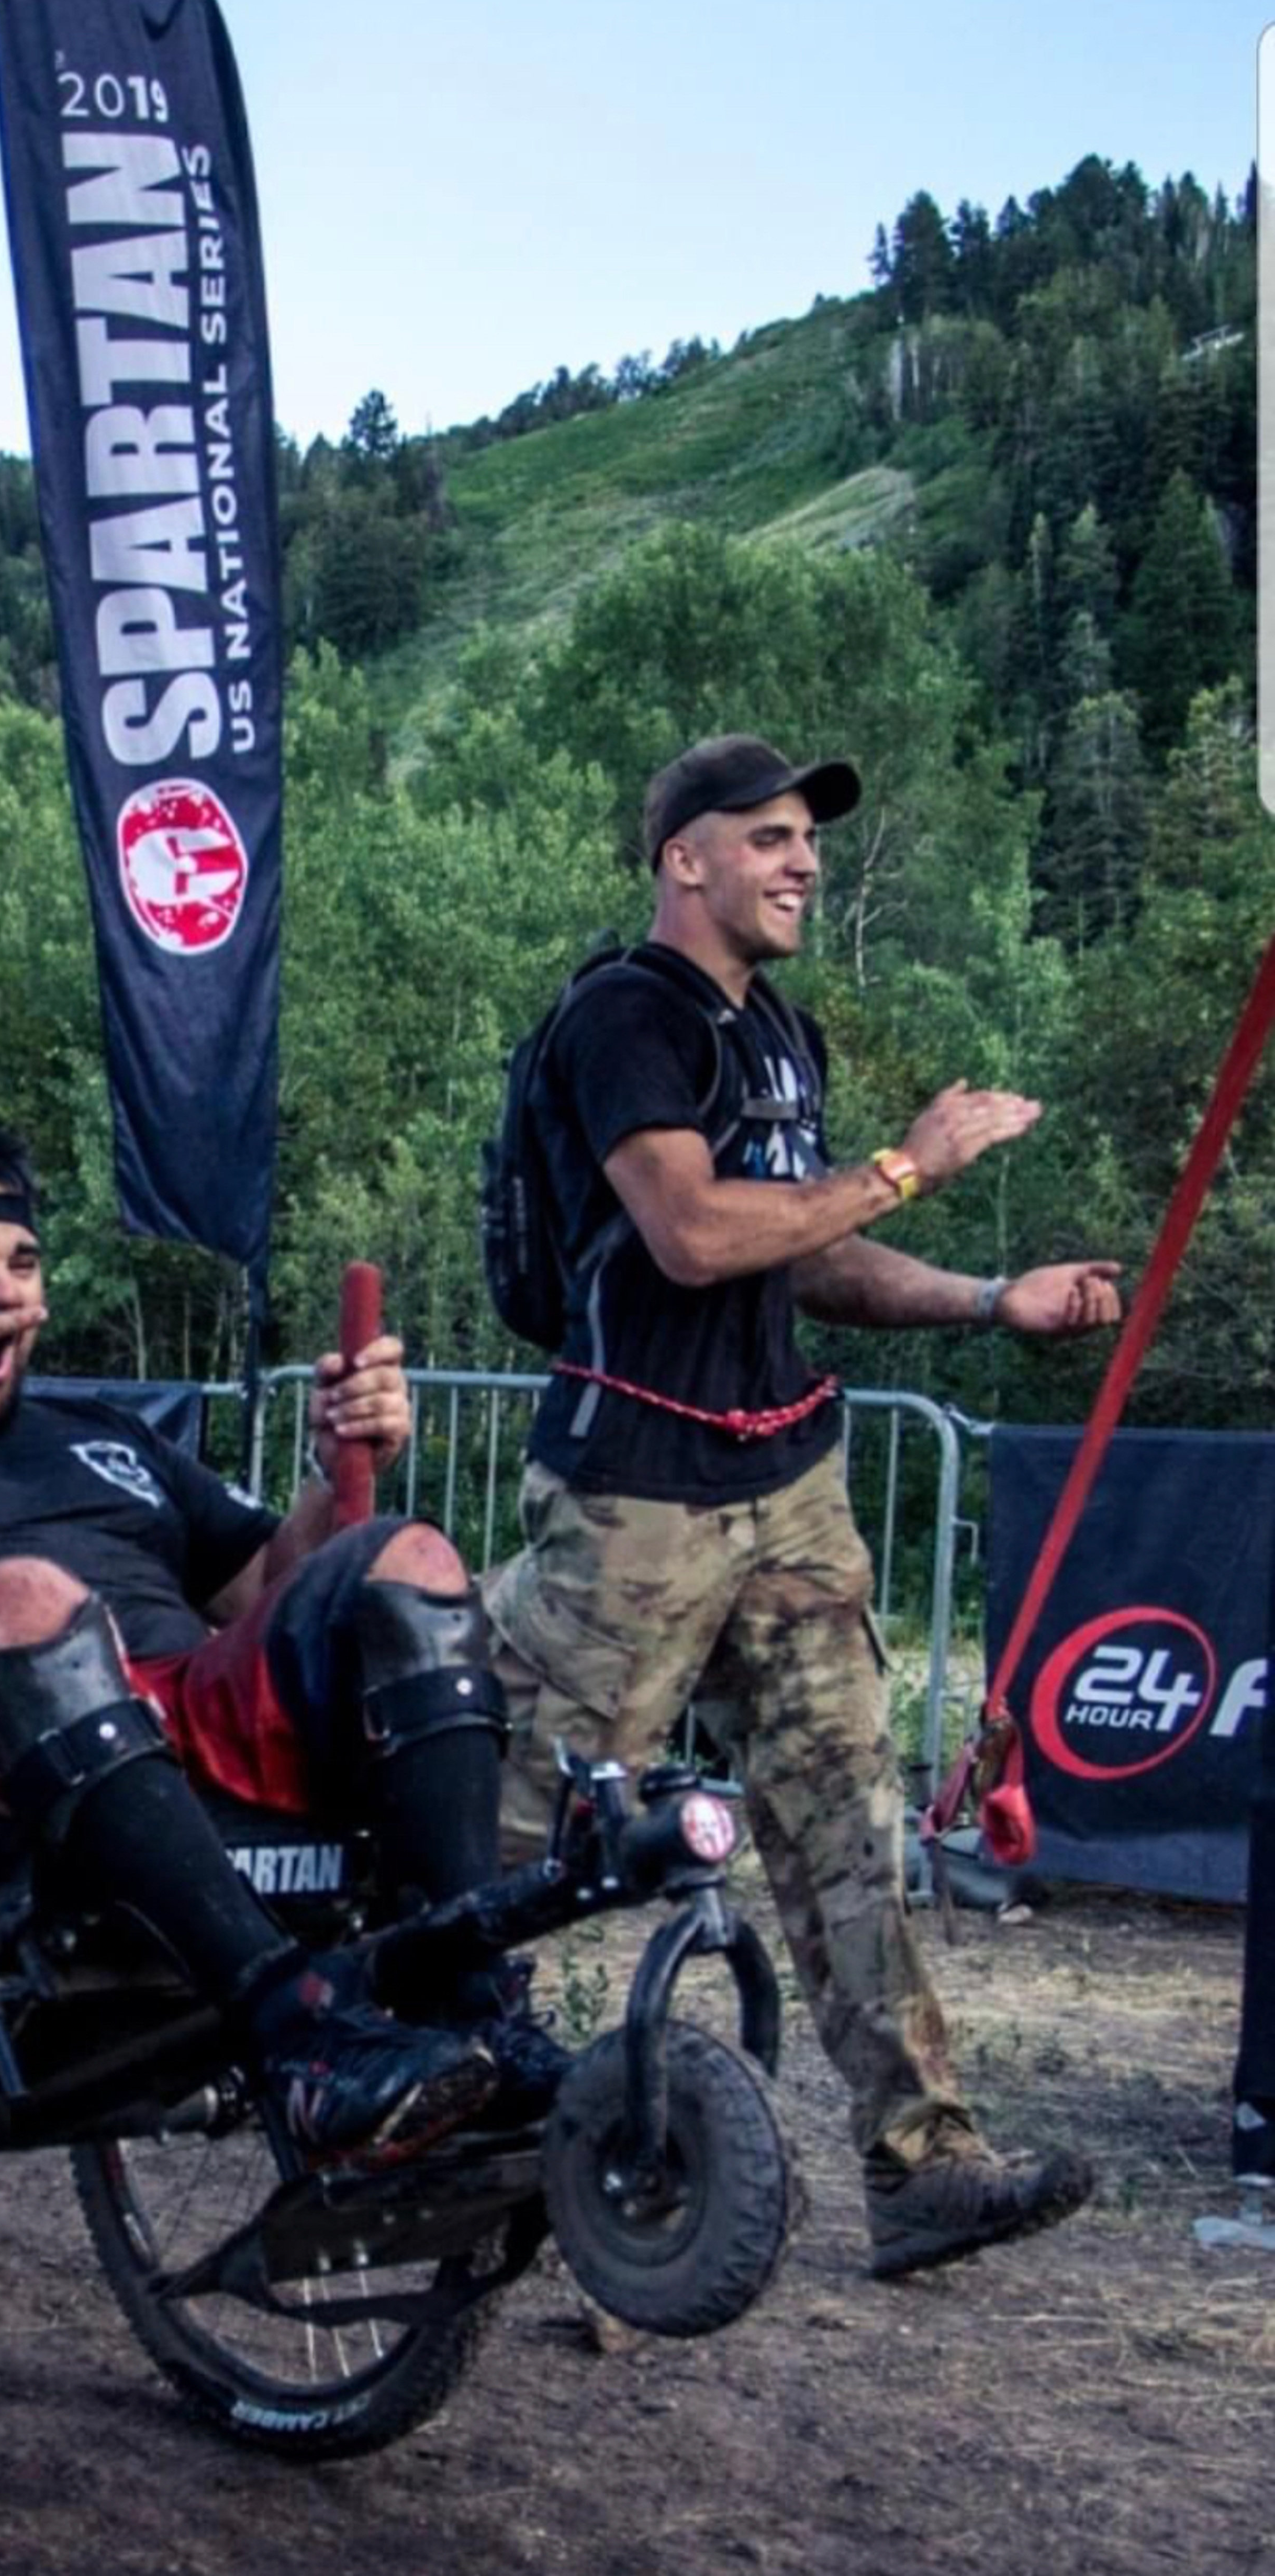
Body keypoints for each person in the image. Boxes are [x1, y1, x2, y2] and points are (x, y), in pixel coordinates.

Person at [485, 734, 1122, 2281]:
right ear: (681, 858)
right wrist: (912, 1162)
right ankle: (407, 2090)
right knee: (511, 1828)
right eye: (767, 837)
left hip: (787, 1483)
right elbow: (696, 1231)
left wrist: (991, 1297)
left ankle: (923, 2164)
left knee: (848, 1817)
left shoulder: (780, 1031)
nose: (803, 861)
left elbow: (804, 1251)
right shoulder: (625, 1015)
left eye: (809, 842)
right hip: (637, 1491)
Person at [0, 1120, 552, 2170]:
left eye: (23, 1262)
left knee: (407, 1553)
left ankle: (467, 1996)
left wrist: (333, 1467)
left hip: (177, 1728)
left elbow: (268, 1601)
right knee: (23, 1596)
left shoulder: (110, 1436)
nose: (6, 1292)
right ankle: (297, 2029)